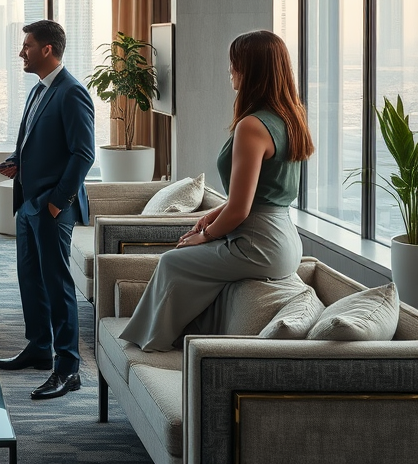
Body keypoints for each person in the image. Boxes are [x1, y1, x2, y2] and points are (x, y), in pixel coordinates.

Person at [121, 29, 314, 352]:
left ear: (251, 69)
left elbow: (241, 208)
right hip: (284, 241)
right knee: (187, 258)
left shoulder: (252, 126)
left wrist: (206, 235)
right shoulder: (290, 117)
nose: (229, 71)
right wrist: (212, 215)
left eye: (234, 63)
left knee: (173, 260)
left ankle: (149, 343)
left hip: (260, 245)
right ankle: (181, 333)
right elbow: (258, 197)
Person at [0, 20, 96, 400]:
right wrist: (15, 162)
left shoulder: (72, 93)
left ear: (48, 50)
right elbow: (34, 145)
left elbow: (84, 154)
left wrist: (57, 202)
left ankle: (68, 368)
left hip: (52, 207)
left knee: (57, 285)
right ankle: (39, 348)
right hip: (29, 204)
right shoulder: (37, 91)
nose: (22, 52)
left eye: (28, 46)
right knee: (30, 280)